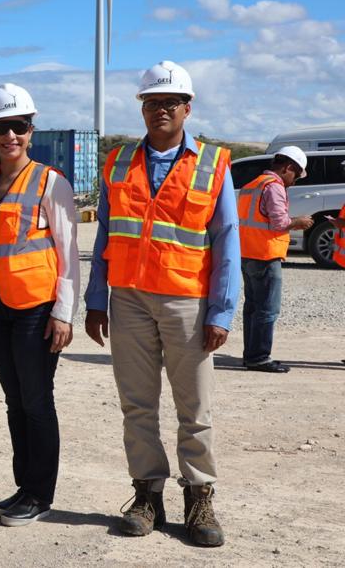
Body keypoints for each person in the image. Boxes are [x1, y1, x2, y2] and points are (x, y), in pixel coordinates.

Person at [84, 60, 239, 547]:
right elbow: (105, 234)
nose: (160, 111)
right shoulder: (118, 161)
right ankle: (148, 494)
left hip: (186, 301)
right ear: (142, 109)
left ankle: (199, 498)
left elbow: (227, 241)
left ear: (187, 108)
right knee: (137, 405)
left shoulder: (213, 164)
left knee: (195, 406)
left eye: (169, 103)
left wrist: (221, 310)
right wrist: (95, 301)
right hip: (127, 298)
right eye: (151, 103)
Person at [0, 84, 79, 527]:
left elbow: (69, 253)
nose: (10, 135)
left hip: (36, 311)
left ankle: (40, 493)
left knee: (36, 402)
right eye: (2, 127)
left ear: (31, 131)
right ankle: (24, 486)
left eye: (18, 126)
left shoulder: (51, 183)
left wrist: (64, 313)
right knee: (14, 402)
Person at [237, 146, 313, 372]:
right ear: (288, 167)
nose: (295, 181)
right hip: (265, 254)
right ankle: (259, 357)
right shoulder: (274, 187)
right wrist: (298, 222)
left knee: (252, 307)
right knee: (267, 309)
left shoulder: (252, 185)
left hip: (247, 252)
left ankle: (251, 355)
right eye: (296, 175)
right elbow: (279, 223)